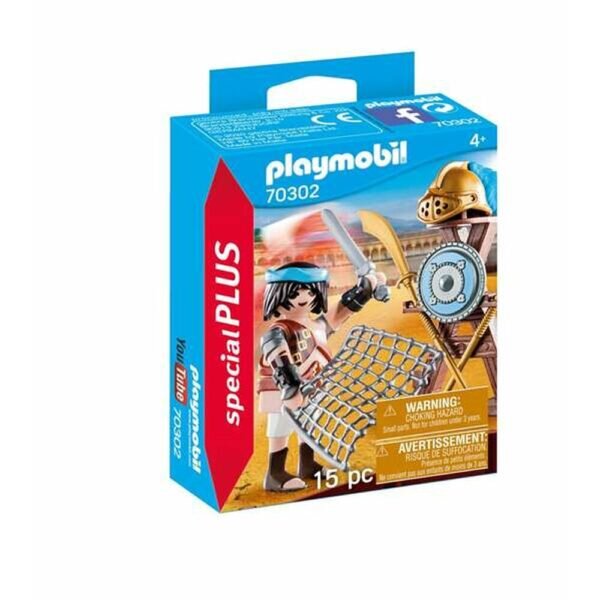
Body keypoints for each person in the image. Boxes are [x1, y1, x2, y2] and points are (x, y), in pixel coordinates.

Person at [257, 261, 386, 491]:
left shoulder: (316, 325)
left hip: (313, 385)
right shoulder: (279, 331)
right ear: (278, 295)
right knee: (280, 428)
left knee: (309, 425)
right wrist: (290, 386)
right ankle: (274, 474)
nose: (304, 297)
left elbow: (342, 310)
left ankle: (307, 465)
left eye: (309, 291)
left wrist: (365, 289)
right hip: (284, 392)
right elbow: (278, 355)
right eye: (295, 293)